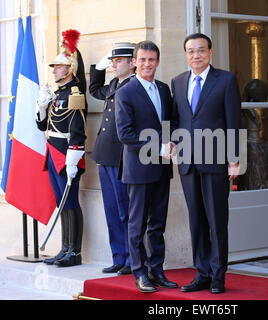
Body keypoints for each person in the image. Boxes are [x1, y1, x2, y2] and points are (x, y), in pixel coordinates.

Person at [171, 33, 241, 294]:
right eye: (191, 51)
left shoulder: (225, 80)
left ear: (211, 52)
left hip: (216, 162)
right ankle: (201, 273)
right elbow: (176, 120)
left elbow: (234, 121)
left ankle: (218, 275)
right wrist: (172, 142)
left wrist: (234, 159)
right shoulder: (177, 82)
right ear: (186, 54)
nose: (196, 55)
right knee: (196, 220)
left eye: (201, 50)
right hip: (188, 163)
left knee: (216, 220)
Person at [115, 40, 177, 293]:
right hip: (139, 166)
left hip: (162, 166)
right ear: (134, 63)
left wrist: (172, 142)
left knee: (157, 223)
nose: (147, 64)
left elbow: (170, 122)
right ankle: (139, 272)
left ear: (157, 62)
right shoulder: (125, 92)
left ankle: (156, 270)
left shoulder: (163, 89)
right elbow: (125, 134)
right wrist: (158, 147)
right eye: (142, 60)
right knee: (137, 223)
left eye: (151, 60)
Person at [35, 29, 87, 267]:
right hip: (53, 152)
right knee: (62, 203)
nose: (54, 70)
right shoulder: (57, 94)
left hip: (67, 155)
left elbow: (78, 127)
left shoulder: (75, 93)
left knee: (71, 202)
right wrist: (42, 107)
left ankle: (75, 253)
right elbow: (43, 126)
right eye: (54, 66)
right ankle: (65, 248)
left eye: (58, 66)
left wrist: (74, 158)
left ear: (69, 69)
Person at [89, 42, 136, 275]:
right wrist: (98, 66)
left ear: (132, 63)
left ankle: (131, 259)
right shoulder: (114, 84)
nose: (114, 65)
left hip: (122, 156)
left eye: (118, 61)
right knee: (110, 209)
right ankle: (118, 256)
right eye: (113, 61)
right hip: (104, 153)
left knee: (124, 209)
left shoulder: (135, 85)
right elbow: (94, 89)